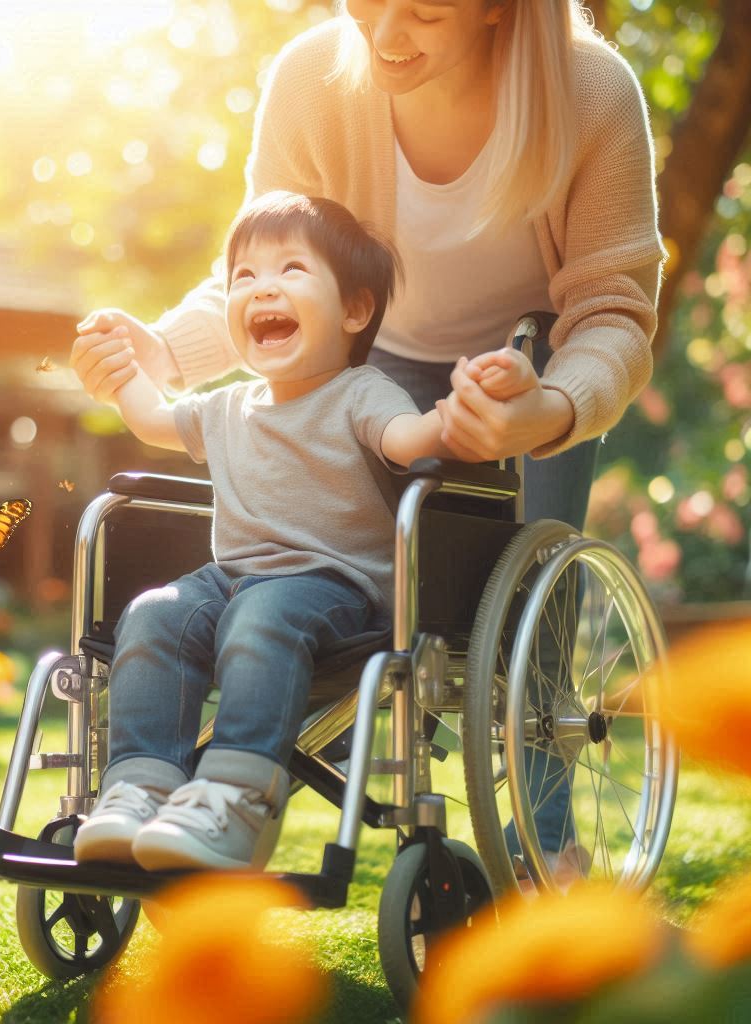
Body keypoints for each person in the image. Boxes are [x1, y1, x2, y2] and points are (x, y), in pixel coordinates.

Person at [69, 0, 667, 871]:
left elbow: (613, 311)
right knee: (362, 603)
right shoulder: (314, 80)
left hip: (529, 365)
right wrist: (161, 351)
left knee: (527, 613)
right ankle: (201, 779)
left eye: (424, 12)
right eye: (368, 3)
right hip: (367, 359)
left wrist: (548, 409)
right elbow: (267, 257)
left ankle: (547, 839)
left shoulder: (592, 92)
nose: (385, 37)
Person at [73, 192, 539, 871]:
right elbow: (152, 420)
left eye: (291, 269)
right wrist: (122, 370)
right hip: (232, 581)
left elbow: (412, 441)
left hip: (337, 590)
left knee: (262, 613)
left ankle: (235, 799)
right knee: (155, 615)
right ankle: (140, 789)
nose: (263, 287)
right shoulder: (227, 404)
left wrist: (471, 409)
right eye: (244, 276)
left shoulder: (360, 393)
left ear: (354, 309)